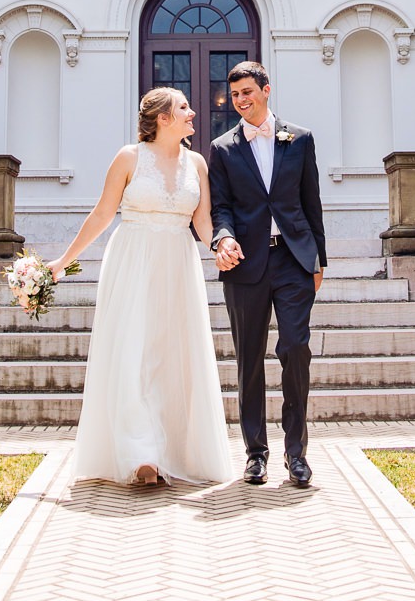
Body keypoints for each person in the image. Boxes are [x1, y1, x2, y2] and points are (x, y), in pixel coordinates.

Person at [47, 88, 239, 486]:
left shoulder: (197, 163)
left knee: (171, 355)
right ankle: (140, 454)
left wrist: (220, 244)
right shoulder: (128, 158)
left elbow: (202, 221)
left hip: (178, 263)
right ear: (163, 119)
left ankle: (172, 449)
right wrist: (63, 262)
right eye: (183, 108)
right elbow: (103, 214)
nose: (193, 113)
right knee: (134, 351)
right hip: (133, 260)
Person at [208, 61, 327, 489]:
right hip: (245, 266)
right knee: (249, 360)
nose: (241, 100)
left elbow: (311, 202)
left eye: (248, 92)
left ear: (266, 90)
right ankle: (255, 453)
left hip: (294, 260)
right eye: (235, 94)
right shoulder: (221, 148)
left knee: (296, 349)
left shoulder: (300, 138)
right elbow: (219, 207)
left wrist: (319, 261)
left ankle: (297, 454)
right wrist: (222, 239)